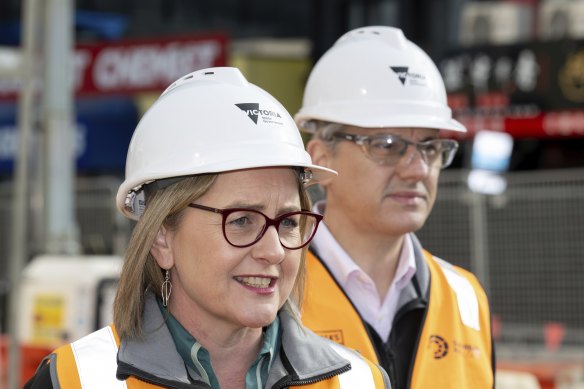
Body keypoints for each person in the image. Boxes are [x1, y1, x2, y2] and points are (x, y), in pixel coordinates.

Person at [24, 67, 391, 389]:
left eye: (289, 222)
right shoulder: (77, 380)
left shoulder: (357, 381)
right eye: (242, 220)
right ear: (161, 237)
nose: (275, 251)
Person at [294, 26, 495, 389]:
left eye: (431, 146)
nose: (417, 169)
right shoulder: (270, 294)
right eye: (387, 145)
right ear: (320, 158)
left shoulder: (466, 298)